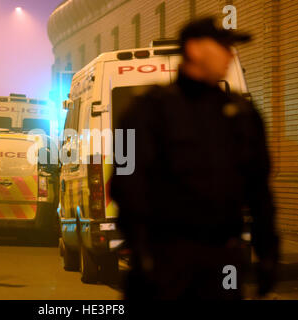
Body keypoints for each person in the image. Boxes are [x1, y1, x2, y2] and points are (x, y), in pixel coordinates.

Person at [111, 17, 278, 300]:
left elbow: (259, 190)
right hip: (165, 259)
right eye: (223, 46)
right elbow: (125, 183)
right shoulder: (144, 111)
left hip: (222, 259)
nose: (231, 54)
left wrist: (267, 254)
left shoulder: (242, 114)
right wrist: (141, 251)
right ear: (195, 49)